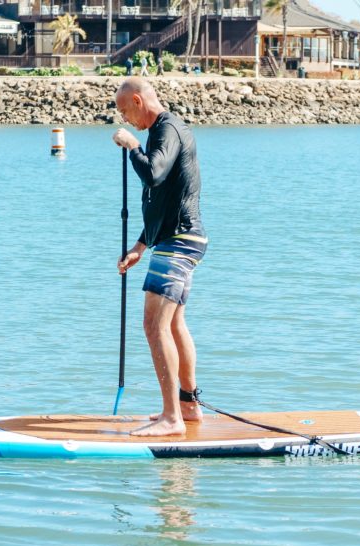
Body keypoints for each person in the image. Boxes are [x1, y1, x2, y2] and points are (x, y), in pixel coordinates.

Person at [112, 78, 207, 437]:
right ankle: (187, 405)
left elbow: (152, 174)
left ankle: (172, 419)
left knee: (153, 326)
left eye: (125, 111)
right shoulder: (164, 131)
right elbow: (163, 198)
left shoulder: (167, 129)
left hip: (179, 241)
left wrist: (133, 146)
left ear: (137, 100)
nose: (125, 118)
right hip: (182, 238)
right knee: (174, 323)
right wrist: (140, 245)